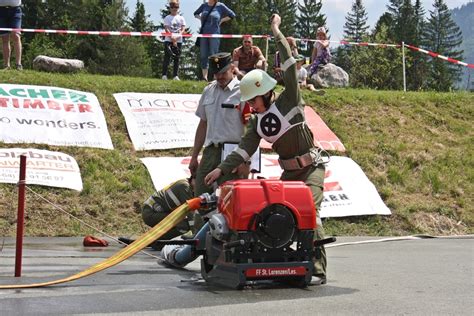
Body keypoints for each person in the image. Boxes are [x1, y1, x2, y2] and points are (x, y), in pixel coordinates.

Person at [204, 14, 329, 286]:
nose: (251, 106)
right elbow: (243, 151)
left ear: (266, 92)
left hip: (311, 170)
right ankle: (279, 261)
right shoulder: (258, 124)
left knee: (311, 215)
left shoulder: (290, 99)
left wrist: (275, 30)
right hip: (290, 177)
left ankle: (317, 269)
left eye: (253, 100)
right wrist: (220, 169)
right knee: (275, 213)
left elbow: (287, 62)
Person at [188, 52, 250, 231]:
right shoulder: (208, 90)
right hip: (210, 151)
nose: (220, 77)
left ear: (232, 68)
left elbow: (251, 131)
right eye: (216, 73)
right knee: (201, 198)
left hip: (233, 152)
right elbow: (203, 125)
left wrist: (245, 161)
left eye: (223, 72)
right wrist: (194, 156)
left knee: (229, 201)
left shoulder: (243, 92)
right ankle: (201, 242)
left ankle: (228, 243)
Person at [119, 178, 195, 250]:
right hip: (150, 213)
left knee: (182, 222)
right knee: (184, 225)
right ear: (194, 179)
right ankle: (158, 243)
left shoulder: (186, 184)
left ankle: (153, 242)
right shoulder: (185, 187)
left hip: (154, 212)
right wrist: (196, 235)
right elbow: (191, 213)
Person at [194, 0, 235, 81]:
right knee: (203, 55)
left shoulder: (220, 6)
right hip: (204, 34)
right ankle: (204, 77)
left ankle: (214, 76)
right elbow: (195, 13)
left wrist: (222, 20)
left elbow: (232, 15)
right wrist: (200, 19)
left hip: (215, 33)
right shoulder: (204, 5)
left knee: (214, 55)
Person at [162, 0, 186, 81]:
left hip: (178, 40)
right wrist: (172, 38)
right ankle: (164, 75)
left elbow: (183, 29)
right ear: (170, 8)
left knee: (177, 58)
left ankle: (175, 75)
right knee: (167, 57)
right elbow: (166, 29)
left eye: (176, 7)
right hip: (168, 40)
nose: (174, 9)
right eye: (172, 7)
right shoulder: (167, 18)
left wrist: (177, 38)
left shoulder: (181, 18)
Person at [0, 0, 22, 70]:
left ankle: (18, 64)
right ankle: (6, 65)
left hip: (15, 10)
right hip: (1, 11)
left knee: (16, 35)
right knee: (4, 38)